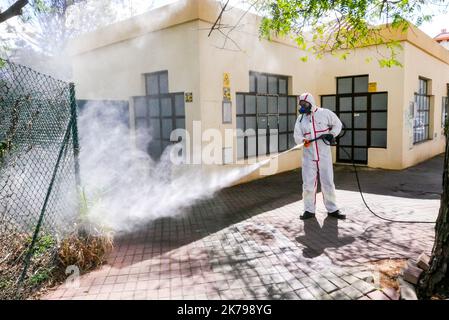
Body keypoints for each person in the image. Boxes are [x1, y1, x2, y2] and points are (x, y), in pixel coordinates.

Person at [293, 92, 345, 220]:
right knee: (308, 184)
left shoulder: (325, 113)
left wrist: (332, 134)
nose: (302, 107)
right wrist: (302, 140)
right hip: (308, 157)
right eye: (301, 104)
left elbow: (338, 124)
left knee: (328, 182)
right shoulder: (300, 119)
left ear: (311, 103)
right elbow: (297, 136)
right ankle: (309, 210)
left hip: (324, 155)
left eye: (304, 104)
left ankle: (332, 209)